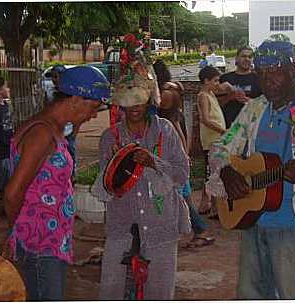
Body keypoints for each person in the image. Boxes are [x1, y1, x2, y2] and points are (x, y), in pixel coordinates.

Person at [206, 41, 295, 299]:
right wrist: (226, 170)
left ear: (293, 70)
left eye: (276, 72)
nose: (268, 81)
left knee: (293, 294)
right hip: (253, 220)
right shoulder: (255, 108)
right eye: (262, 73)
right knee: (250, 294)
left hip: (293, 225)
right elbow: (220, 147)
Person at [2, 65, 110, 301]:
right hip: (39, 242)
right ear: (74, 99)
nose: (93, 115)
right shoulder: (42, 134)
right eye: (92, 108)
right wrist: (16, 230)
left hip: (51, 239)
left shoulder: (54, 128)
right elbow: (13, 194)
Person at [93, 37, 189, 300]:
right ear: (119, 104)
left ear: (149, 101)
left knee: (159, 292)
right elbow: (106, 188)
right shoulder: (109, 137)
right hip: (121, 228)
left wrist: (154, 163)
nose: (133, 107)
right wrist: (113, 166)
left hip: (161, 229)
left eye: (139, 100)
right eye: (127, 101)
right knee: (112, 291)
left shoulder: (165, 131)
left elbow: (182, 173)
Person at [153, 59, 215, 248]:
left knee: (181, 199)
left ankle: (200, 230)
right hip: (175, 158)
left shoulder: (163, 95)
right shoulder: (172, 90)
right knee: (183, 199)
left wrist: (181, 157)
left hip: (172, 159)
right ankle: (199, 230)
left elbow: (176, 129)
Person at [197, 66, 226, 218]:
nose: (217, 83)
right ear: (206, 81)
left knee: (216, 173)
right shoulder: (203, 96)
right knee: (213, 174)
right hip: (211, 140)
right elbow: (205, 119)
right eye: (215, 80)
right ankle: (214, 208)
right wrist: (222, 130)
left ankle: (214, 206)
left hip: (217, 140)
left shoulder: (211, 94)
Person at [44, 64, 78, 181]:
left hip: (68, 132)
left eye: (56, 76)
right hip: (54, 132)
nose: (54, 80)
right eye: (52, 77)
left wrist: (75, 130)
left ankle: (71, 177)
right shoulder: (49, 92)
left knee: (69, 154)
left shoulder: (71, 92)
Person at [218, 46, 262, 128]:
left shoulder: (260, 79)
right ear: (236, 59)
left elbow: (267, 105)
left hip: (252, 127)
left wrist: (250, 101)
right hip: (229, 127)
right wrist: (230, 97)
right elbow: (215, 105)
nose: (247, 59)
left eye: (250, 57)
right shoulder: (225, 78)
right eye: (243, 56)